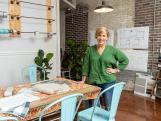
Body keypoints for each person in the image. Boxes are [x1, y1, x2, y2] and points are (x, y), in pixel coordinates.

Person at [81, 27, 129, 110]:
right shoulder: (90, 50)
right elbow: (86, 65)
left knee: (108, 104)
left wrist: (116, 70)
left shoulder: (112, 50)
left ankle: (108, 118)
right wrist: (83, 80)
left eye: (104, 35)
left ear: (107, 37)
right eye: (99, 35)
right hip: (93, 81)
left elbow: (125, 60)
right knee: (93, 105)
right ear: (96, 36)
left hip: (108, 80)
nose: (101, 38)